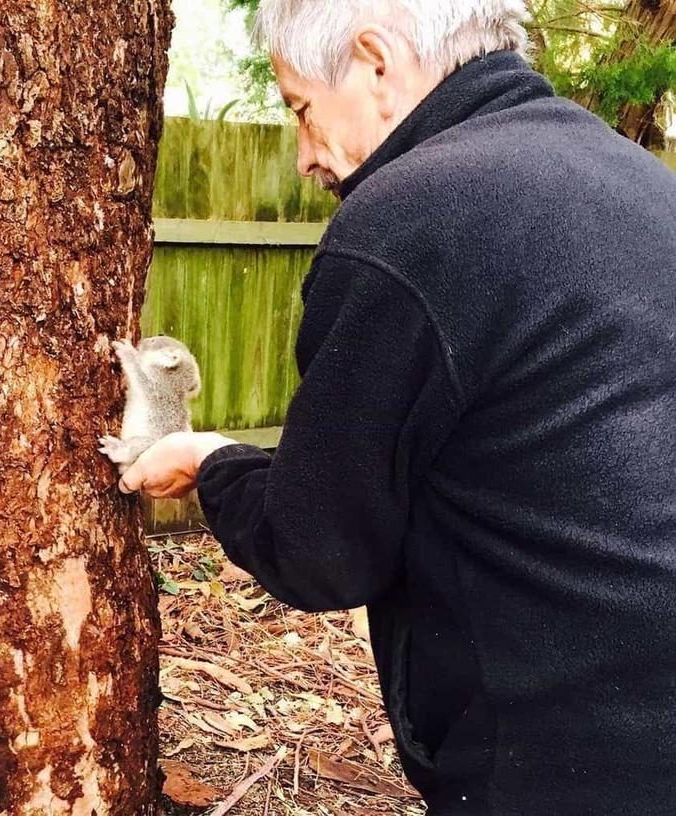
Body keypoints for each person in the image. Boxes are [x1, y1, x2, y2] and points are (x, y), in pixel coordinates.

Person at [120, 1, 676, 813]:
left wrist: (212, 464)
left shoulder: (406, 225)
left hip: (565, 758)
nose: (307, 157)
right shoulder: (642, 187)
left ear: (376, 62)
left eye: (302, 110)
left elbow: (320, 550)